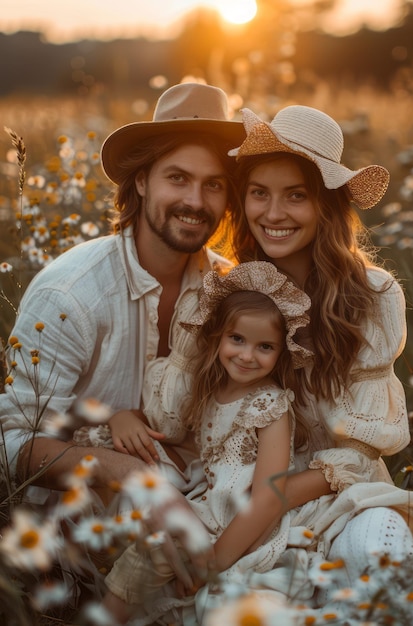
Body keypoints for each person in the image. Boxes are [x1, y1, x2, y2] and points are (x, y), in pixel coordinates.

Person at [0, 82, 246, 587]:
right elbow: (10, 443)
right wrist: (123, 471)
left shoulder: (229, 291)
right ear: (140, 182)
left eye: (214, 184)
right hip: (70, 526)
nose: (195, 201)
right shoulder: (70, 296)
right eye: (177, 178)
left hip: (195, 497)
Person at [227, 106, 413, 603]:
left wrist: (273, 499)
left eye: (296, 196)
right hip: (243, 500)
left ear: (327, 205)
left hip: (342, 494)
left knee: (376, 554)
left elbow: (356, 453)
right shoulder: (236, 292)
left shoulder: (371, 296)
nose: (273, 214)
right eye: (259, 193)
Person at [99, 261, 328, 624]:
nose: (247, 355)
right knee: (150, 542)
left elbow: (270, 495)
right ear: (218, 336)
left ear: (282, 352)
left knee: (158, 551)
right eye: (237, 339)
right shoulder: (211, 391)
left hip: (239, 517)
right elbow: (175, 437)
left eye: (264, 346)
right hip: (210, 503)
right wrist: (120, 416)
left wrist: (216, 560)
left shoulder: (270, 404)